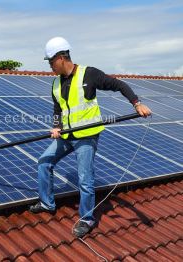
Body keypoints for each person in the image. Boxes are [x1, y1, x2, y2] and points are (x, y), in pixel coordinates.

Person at [29, 37, 151, 238]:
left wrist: (136, 103)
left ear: (61, 58)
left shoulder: (90, 74)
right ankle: (47, 203)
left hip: (86, 136)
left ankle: (86, 218)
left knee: (85, 178)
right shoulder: (55, 84)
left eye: (51, 61)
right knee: (44, 162)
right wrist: (56, 126)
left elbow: (119, 85)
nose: (50, 65)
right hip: (67, 135)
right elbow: (58, 108)